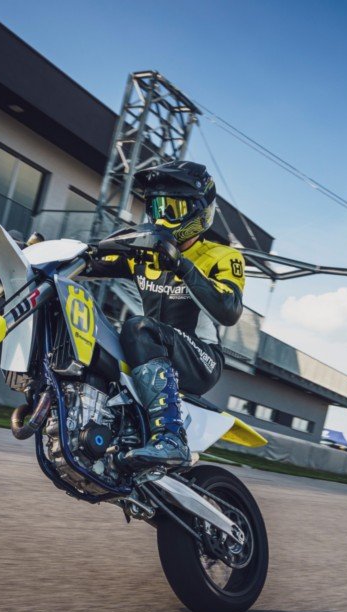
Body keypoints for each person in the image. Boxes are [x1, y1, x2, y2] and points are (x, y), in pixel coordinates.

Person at [87, 160, 245, 469]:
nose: (162, 217)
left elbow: (229, 311)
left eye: (171, 208)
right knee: (103, 335)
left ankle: (173, 439)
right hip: (152, 348)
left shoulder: (222, 256)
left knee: (137, 327)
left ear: (197, 211)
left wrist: (180, 265)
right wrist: (38, 254)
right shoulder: (144, 254)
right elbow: (92, 261)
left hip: (201, 360)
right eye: (156, 207)